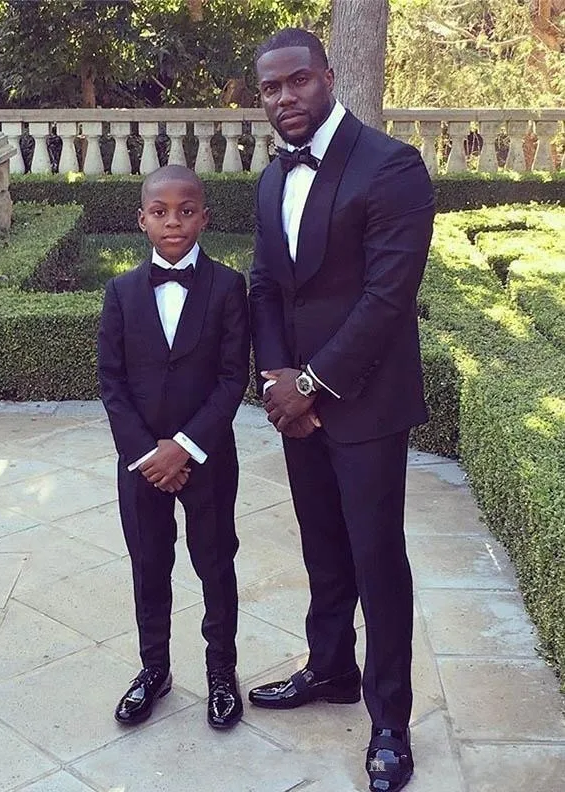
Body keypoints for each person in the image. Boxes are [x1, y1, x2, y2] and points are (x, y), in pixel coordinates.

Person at [247, 28, 435, 792]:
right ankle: (329, 669)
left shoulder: (392, 166)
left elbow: (387, 299)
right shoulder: (271, 178)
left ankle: (390, 721)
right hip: (297, 404)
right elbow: (265, 284)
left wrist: (313, 386)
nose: (284, 97)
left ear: (328, 77)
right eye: (270, 88)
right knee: (322, 548)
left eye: (297, 80)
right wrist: (277, 381)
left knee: (376, 560)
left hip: (366, 405)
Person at [98, 165, 250, 731]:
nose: (173, 223)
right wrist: (148, 454)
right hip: (141, 465)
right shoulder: (120, 292)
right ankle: (153, 669)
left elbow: (233, 378)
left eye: (186, 211)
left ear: (204, 217)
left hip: (207, 459)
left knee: (215, 563)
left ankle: (221, 672)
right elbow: (111, 381)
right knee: (149, 564)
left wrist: (184, 447)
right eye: (159, 212)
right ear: (142, 219)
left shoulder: (228, 287)